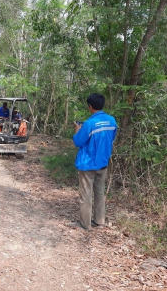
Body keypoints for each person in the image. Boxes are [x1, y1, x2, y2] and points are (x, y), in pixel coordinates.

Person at [71, 93, 117, 230]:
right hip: (103, 163)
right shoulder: (112, 121)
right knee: (99, 193)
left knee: (86, 195)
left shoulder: (89, 124)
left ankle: (85, 224)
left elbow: (78, 142)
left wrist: (77, 130)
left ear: (90, 107)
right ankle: (99, 221)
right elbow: (112, 137)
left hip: (88, 165)